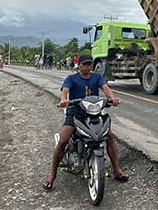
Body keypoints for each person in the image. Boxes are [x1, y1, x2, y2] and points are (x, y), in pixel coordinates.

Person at [42, 54, 129, 190]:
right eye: (84, 64)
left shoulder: (97, 77)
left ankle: (117, 170)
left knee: (109, 137)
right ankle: (52, 175)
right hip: (75, 113)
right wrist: (64, 99)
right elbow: (65, 91)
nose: (87, 67)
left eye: (89, 64)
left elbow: (106, 89)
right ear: (79, 65)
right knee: (63, 140)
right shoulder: (71, 78)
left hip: (93, 113)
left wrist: (112, 98)